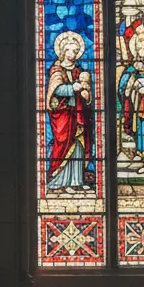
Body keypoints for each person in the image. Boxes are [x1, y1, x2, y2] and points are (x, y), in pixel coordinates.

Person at [46, 30, 94, 193]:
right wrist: (71, 88)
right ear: (62, 51)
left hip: (78, 115)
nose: (72, 54)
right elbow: (54, 91)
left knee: (79, 146)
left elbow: (87, 93)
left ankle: (76, 181)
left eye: (75, 51)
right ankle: (59, 181)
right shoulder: (56, 70)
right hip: (63, 115)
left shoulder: (79, 72)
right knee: (63, 144)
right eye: (69, 50)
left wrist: (86, 95)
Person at [118, 25, 144, 172]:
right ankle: (143, 155)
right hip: (140, 103)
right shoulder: (135, 66)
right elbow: (126, 81)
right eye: (139, 49)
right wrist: (131, 82)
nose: (141, 52)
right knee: (141, 127)